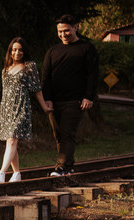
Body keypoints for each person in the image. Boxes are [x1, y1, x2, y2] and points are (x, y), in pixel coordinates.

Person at [41, 14, 99, 176]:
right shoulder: (53, 51)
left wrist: (89, 96)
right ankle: (68, 166)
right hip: (54, 101)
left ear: (76, 27)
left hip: (75, 100)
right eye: (60, 31)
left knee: (67, 132)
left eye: (66, 30)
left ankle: (61, 167)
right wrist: (48, 99)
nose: (63, 34)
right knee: (58, 135)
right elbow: (45, 77)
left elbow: (93, 75)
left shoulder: (87, 49)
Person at [0, 37, 50, 183]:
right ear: (10, 52)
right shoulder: (5, 70)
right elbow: (4, 91)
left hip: (21, 106)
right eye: (14, 50)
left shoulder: (29, 66)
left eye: (20, 49)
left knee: (12, 139)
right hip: (6, 109)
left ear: (24, 51)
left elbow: (37, 89)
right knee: (10, 141)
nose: (17, 52)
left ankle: (1, 173)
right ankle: (17, 173)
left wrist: (44, 106)